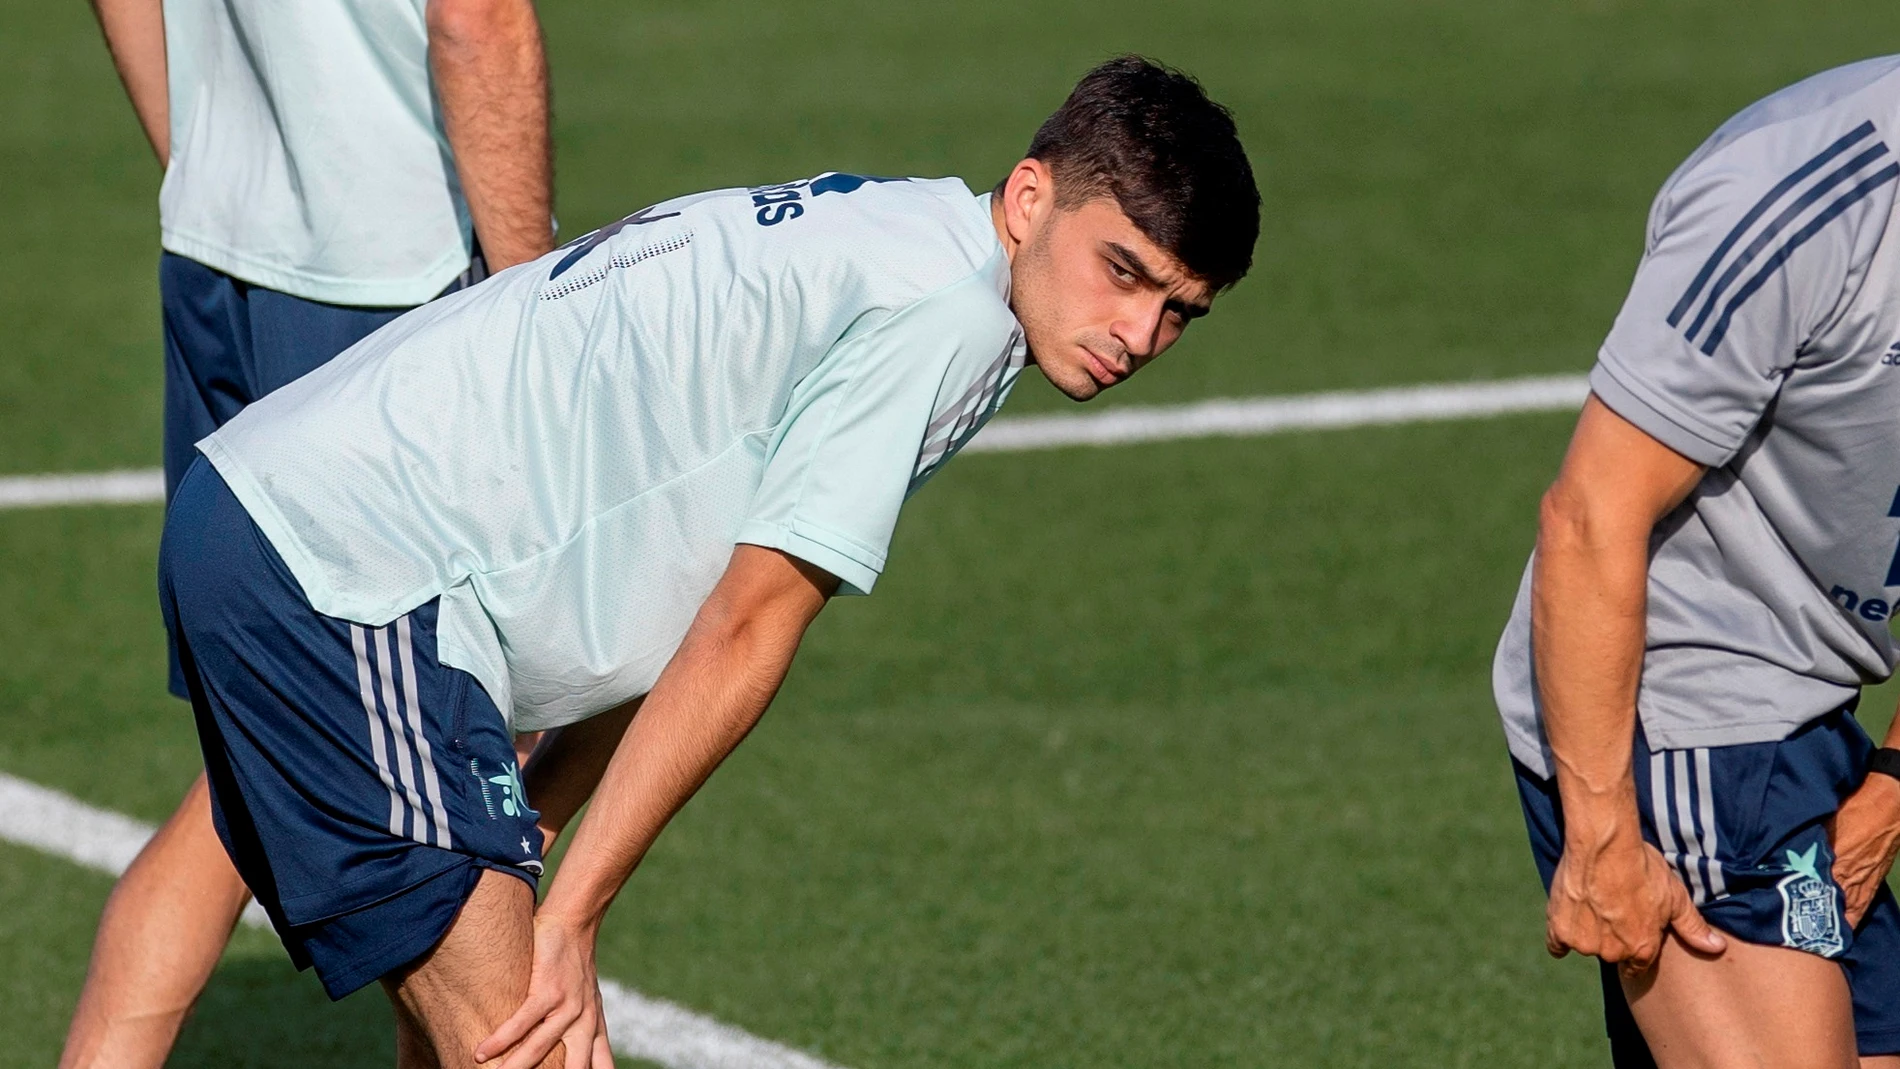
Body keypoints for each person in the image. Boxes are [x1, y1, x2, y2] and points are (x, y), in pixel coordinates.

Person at [142, 56, 1257, 1068]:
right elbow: (745, 623)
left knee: (460, 1039)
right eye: (1123, 270)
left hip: (311, 540)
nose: (1139, 332)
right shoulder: (947, 318)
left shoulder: (909, 232)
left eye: (1177, 312)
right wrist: (568, 916)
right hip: (349, 574)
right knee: (528, 1044)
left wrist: (535, 825)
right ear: (1030, 197)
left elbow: (682, 596)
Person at [68, 0, 554, 1064]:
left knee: (260, 768)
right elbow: (481, 21)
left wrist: (201, 163)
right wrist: (534, 317)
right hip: (391, 282)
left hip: (218, 255)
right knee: (441, 800)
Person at [1494, 53, 1900, 1069]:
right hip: (1683, 703)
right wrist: (1600, 836)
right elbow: (1589, 517)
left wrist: (1892, 782)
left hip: (1816, 713)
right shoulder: (1797, 196)